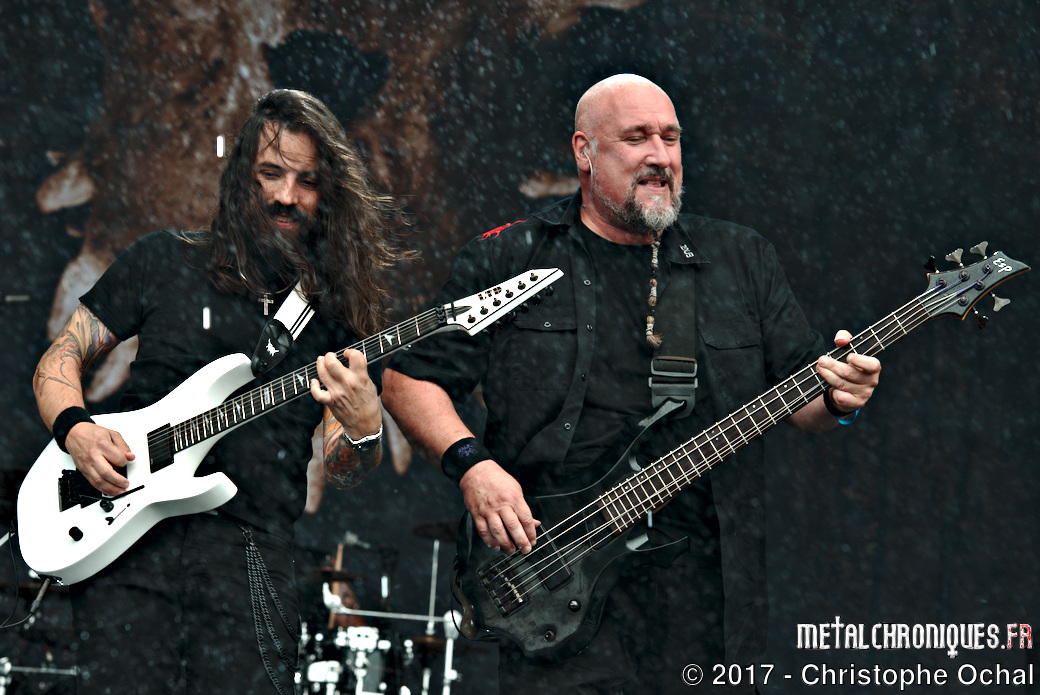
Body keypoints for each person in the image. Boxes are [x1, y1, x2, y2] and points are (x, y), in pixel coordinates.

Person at [381, 74, 881, 694]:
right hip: (552, 589)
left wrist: (843, 396)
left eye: (671, 138)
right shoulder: (511, 259)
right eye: (637, 137)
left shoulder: (740, 259)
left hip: (707, 601)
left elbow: (808, 400)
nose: (660, 156)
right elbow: (408, 380)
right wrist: (473, 469)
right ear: (584, 152)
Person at [32, 89, 407, 694]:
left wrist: (364, 429)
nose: (286, 196)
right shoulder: (164, 259)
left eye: (307, 181)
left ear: (329, 195)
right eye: (271, 173)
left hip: (250, 556)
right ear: (240, 177)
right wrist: (75, 429)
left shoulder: (336, 319)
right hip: (127, 544)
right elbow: (61, 357)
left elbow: (343, 467)